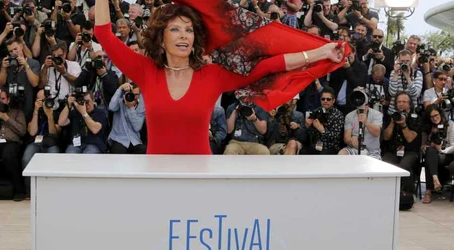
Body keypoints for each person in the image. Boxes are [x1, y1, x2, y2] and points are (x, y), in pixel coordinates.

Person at [94, 0, 346, 154]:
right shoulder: (145, 71)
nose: (184, 35)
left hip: (202, 177)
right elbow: (104, 34)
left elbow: (269, 65)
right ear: (161, 38)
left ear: (195, 40)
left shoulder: (212, 76)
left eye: (189, 30)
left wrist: (320, 51)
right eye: (175, 29)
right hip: (158, 177)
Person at [421, 104, 454, 204]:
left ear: (440, 113)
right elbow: (422, 146)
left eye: (436, 115)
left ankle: (429, 191)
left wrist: (442, 150)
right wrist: (429, 145)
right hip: (433, 155)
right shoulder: (428, 127)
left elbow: (453, 144)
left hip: (448, 153)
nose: (434, 118)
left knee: (429, 160)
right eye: (431, 117)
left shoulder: (450, 124)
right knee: (430, 152)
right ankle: (435, 179)